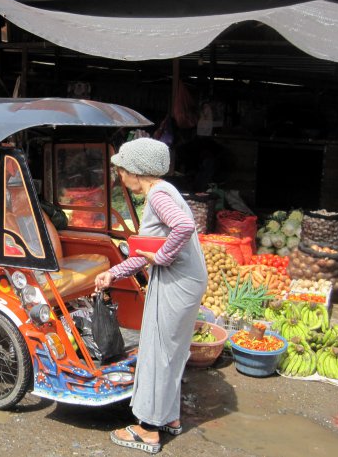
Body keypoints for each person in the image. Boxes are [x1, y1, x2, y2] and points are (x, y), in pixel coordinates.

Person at [94, 137, 207, 454]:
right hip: (185, 280)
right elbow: (146, 252)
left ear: (135, 170)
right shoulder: (164, 192)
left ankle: (147, 430)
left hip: (177, 281)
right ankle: (169, 417)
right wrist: (114, 273)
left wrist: (164, 257)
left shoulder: (158, 194)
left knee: (158, 351)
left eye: (121, 170)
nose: (120, 177)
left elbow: (183, 227)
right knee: (171, 350)